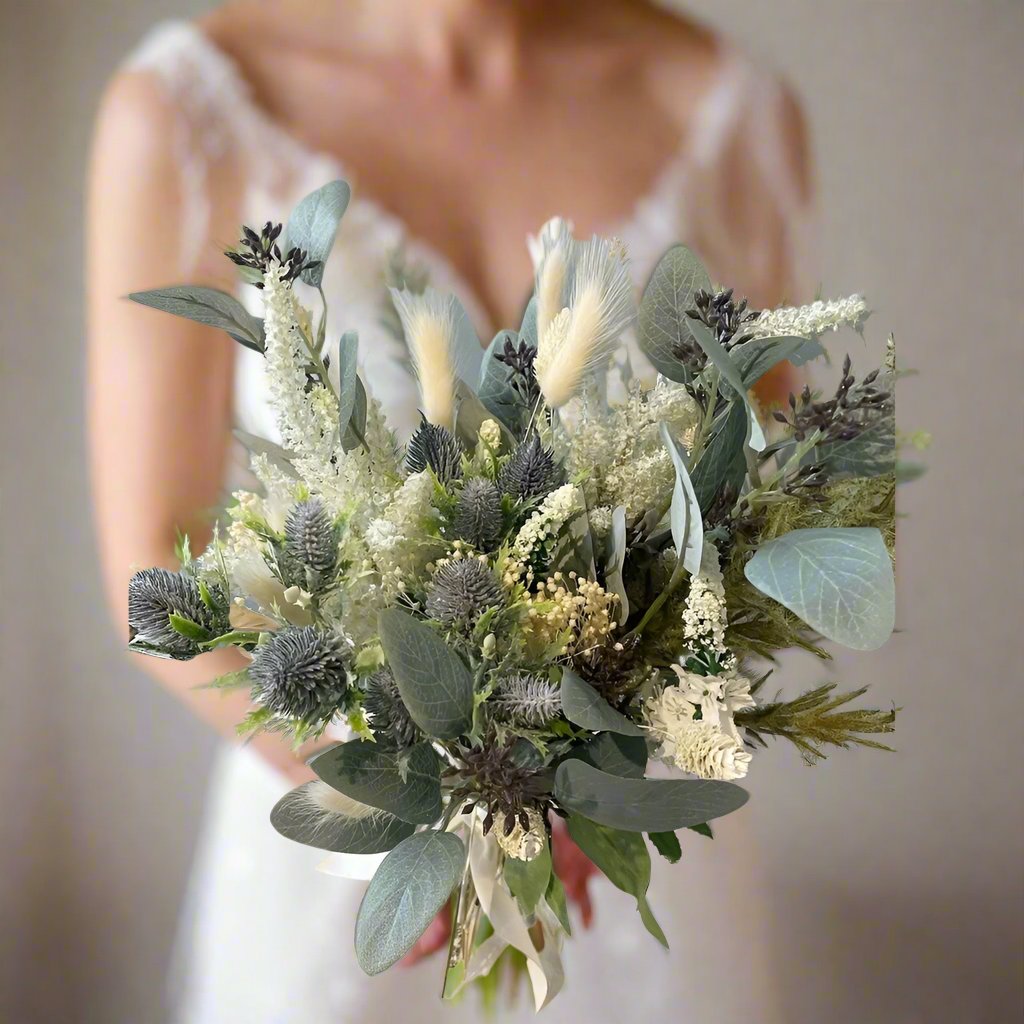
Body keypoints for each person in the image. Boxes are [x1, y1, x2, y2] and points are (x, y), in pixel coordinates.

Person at [87, 1, 813, 1020]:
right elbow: (155, 566)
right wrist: (419, 786)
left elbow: (764, 513)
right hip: (338, 865)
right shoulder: (187, 111)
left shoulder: (723, 107)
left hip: (631, 864)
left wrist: (600, 762)